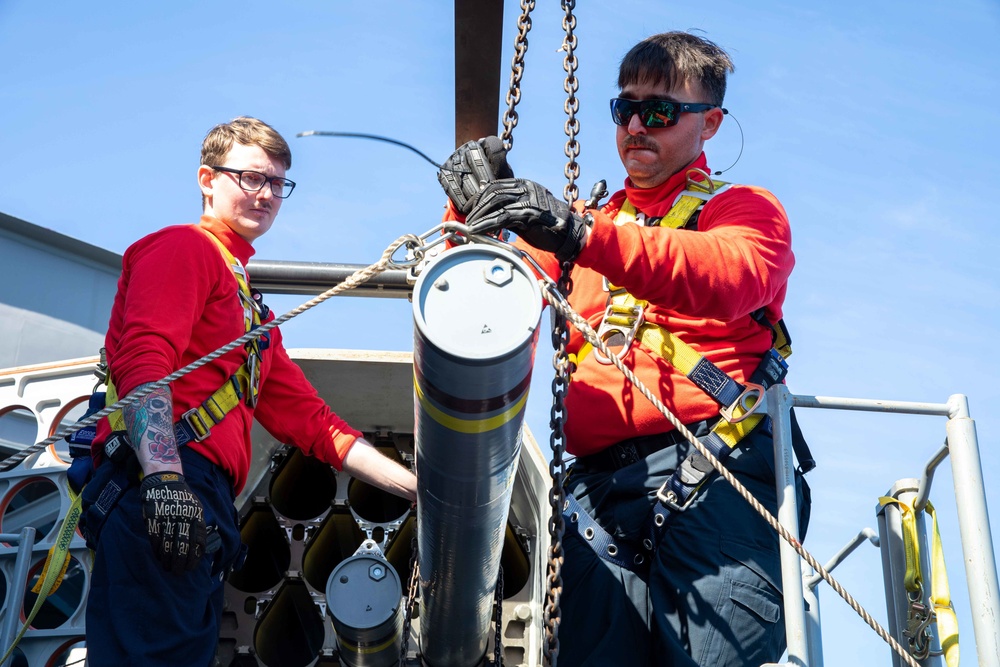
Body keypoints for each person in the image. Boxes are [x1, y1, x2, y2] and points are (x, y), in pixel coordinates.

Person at [439, 32, 810, 666]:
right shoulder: (572, 228)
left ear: (709, 123)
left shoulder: (743, 211)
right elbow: (480, 300)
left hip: (712, 472)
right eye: (625, 109)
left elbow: (726, 274)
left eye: (659, 111)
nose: (637, 124)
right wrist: (470, 215)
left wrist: (576, 232)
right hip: (597, 497)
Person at [81, 116, 417, 666]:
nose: (266, 194)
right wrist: (165, 481)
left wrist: (420, 490)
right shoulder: (182, 249)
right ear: (207, 179)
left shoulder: (252, 317)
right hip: (163, 483)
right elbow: (146, 365)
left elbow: (317, 426)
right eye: (250, 178)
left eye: (278, 183)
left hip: (203, 498)